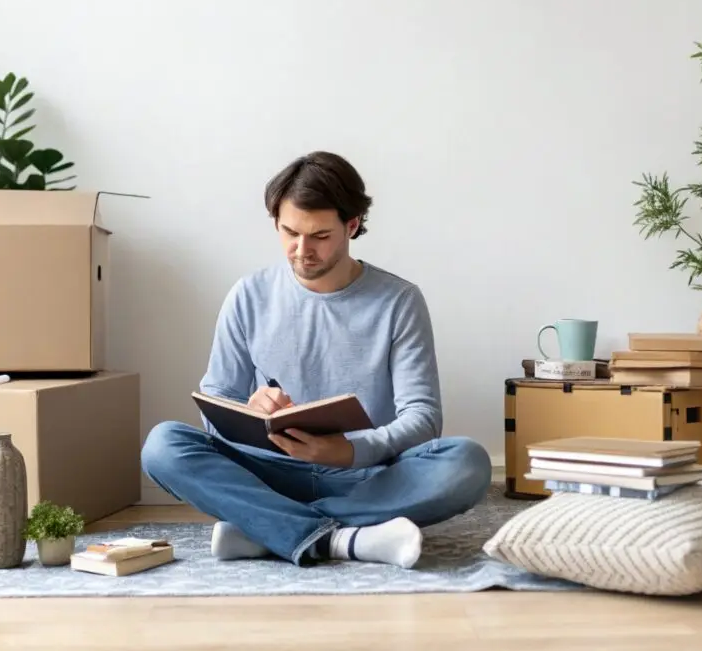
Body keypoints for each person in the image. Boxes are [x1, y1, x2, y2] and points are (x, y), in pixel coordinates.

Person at [141, 150, 492, 569]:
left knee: (467, 463)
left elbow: (422, 417)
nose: (301, 249)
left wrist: (346, 451)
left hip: (366, 478)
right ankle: (349, 538)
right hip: (269, 473)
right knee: (163, 445)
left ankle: (268, 528)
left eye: (320, 236)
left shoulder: (399, 301)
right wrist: (247, 409)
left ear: (352, 225)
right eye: (289, 232)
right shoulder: (249, 295)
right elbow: (215, 399)